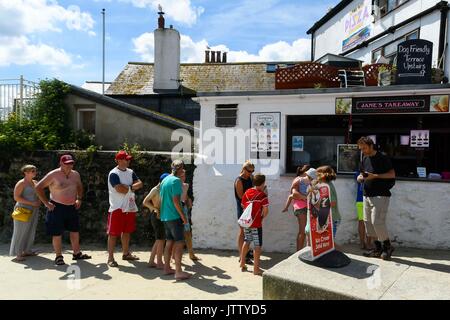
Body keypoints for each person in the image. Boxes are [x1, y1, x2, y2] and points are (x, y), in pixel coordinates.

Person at [35, 154, 91, 266]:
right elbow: (38, 187)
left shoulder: (75, 174)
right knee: (57, 232)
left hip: (71, 206)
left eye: (71, 163)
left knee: (74, 231)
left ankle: (76, 253)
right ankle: (58, 256)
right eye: (67, 164)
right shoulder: (53, 174)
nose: (69, 166)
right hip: (57, 206)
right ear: (61, 163)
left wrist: (79, 199)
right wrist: (46, 203)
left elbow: (79, 186)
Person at [357, 136, 396, 260]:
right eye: (361, 149)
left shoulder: (382, 157)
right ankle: (378, 248)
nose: (362, 151)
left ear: (371, 145)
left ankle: (387, 246)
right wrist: (360, 177)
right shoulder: (365, 158)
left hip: (380, 195)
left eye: (364, 148)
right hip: (366, 194)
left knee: (377, 222)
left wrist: (375, 176)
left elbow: (392, 174)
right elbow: (363, 173)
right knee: (368, 223)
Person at [106, 150, 143, 267]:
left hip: (129, 207)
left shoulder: (130, 172)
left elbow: (140, 183)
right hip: (117, 207)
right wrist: (132, 188)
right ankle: (110, 258)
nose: (128, 161)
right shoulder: (113, 173)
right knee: (113, 234)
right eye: (126, 159)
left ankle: (126, 253)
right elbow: (119, 189)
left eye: (128, 159)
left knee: (127, 231)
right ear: (119, 160)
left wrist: (129, 187)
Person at [160, 159, 191, 280]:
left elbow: (162, 199)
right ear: (181, 168)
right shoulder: (176, 181)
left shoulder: (165, 180)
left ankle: (166, 268)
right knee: (179, 242)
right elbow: (176, 201)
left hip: (165, 216)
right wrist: (183, 217)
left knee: (169, 242)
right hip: (174, 216)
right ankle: (178, 271)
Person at [10, 165, 41, 262]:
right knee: (20, 231)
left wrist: (40, 201)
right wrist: (32, 203)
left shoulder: (35, 182)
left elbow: (39, 194)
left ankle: (27, 250)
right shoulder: (21, 183)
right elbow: (16, 197)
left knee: (31, 230)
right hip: (22, 210)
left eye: (35, 170)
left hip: (34, 210)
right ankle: (18, 254)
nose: (35, 172)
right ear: (26, 172)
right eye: (32, 171)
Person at [239, 173, 269, 276]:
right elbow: (265, 211)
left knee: (247, 241)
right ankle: (256, 269)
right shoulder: (262, 195)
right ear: (263, 183)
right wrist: (261, 218)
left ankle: (242, 263)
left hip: (247, 223)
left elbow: (242, 205)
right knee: (257, 246)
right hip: (256, 224)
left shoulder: (247, 192)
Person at [284, 167, 317, 251]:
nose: (311, 179)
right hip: (300, 207)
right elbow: (294, 194)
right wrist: (305, 198)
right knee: (302, 231)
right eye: (311, 177)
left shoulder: (313, 183)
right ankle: (298, 253)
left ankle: (308, 251)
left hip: (310, 206)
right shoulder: (298, 180)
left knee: (308, 231)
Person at [143, 173, 169, 269]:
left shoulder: (164, 189)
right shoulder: (155, 189)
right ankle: (159, 263)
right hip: (156, 216)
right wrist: (154, 208)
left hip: (163, 215)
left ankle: (151, 261)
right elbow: (145, 201)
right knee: (160, 240)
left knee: (159, 239)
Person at [234, 160, 255, 265]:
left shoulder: (250, 178)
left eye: (252, 171)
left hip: (250, 208)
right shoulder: (239, 180)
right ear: (244, 169)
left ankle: (246, 252)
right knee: (243, 231)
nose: (251, 173)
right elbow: (241, 197)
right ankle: (241, 255)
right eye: (249, 171)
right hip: (243, 209)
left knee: (249, 232)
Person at [316, 166, 341, 241]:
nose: (316, 177)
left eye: (317, 174)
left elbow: (333, 203)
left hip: (331, 218)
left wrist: (318, 204)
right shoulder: (326, 184)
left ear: (323, 175)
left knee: (329, 242)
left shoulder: (327, 187)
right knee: (327, 243)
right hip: (329, 218)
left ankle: (339, 252)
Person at [180, 169, 200, 261]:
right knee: (176, 234)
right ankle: (174, 256)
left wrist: (188, 200)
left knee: (187, 232)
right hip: (175, 209)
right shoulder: (172, 185)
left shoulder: (186, 186)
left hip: (183, 209)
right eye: (181, 176)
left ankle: (191, 254)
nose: (183, 178)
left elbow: (185, 195)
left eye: (184, 176)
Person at [355, 171, 370, 249]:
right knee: (363, 222)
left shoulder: (371, 173)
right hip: (361, 200)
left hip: (369, 199)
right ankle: (363, 243)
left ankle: (367, 243)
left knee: (368, 222)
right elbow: (359, 178)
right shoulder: (358, 173)